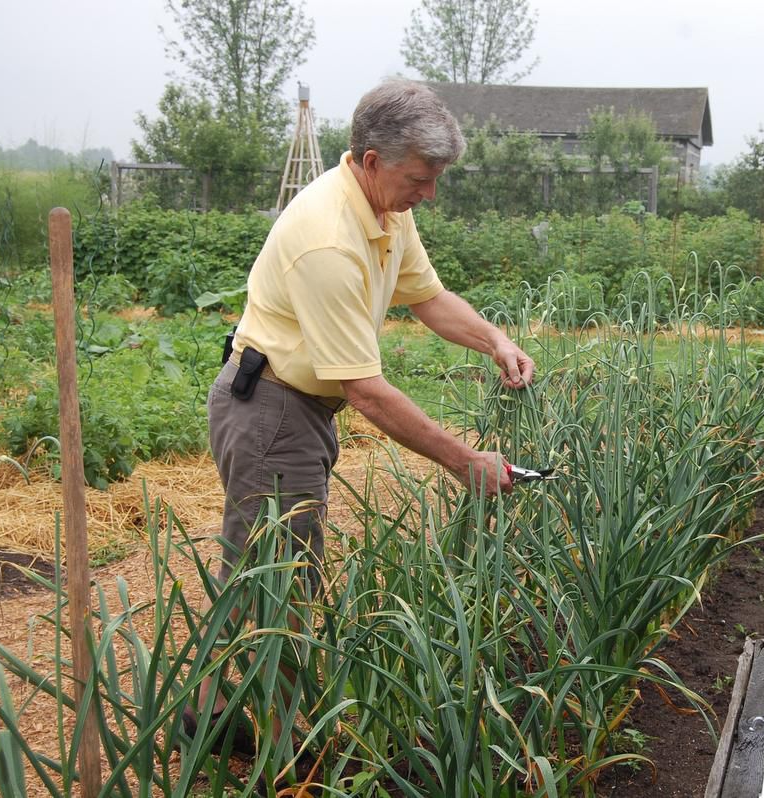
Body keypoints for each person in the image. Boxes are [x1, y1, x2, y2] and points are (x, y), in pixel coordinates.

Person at [184, 77, 535, 784]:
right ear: (371, 161)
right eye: (419, 178)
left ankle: (210, 712)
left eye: (435, 179)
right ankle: (289, 752)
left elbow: (427, 298)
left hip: (293, 405)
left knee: (259, 566)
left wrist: (493, 339)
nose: (429, 194)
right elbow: (368, 392)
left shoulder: (383, 209)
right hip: (271, 409)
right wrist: (465, 461)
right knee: (283, 579)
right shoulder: (327, 239)